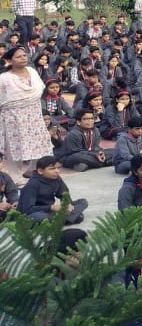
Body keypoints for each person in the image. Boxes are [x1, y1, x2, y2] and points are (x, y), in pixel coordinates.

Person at [1, 45, 50, 178]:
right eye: (18, 57)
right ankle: (13, 177)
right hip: (13, 117)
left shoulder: (32, 71)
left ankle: (34, 170)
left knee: (38, 143)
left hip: (34, 114)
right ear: (10, 61)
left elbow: (39, 89)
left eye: (24, 55)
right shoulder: (4, 78)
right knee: (15, 146)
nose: (23, 58)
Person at [18, 156, 87, 223]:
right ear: (40, 171)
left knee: (83, 202)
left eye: (58, 168)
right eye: (52, 169)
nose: (57, 171)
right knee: (38, 217)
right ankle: (69, 218)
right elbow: (27, 209)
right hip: (35, 212)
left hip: (50, 211)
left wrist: (67, 204)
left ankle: (62, 219)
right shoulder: (32, 184)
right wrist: (51, 207)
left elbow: (64, 194)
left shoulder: (56, 178)